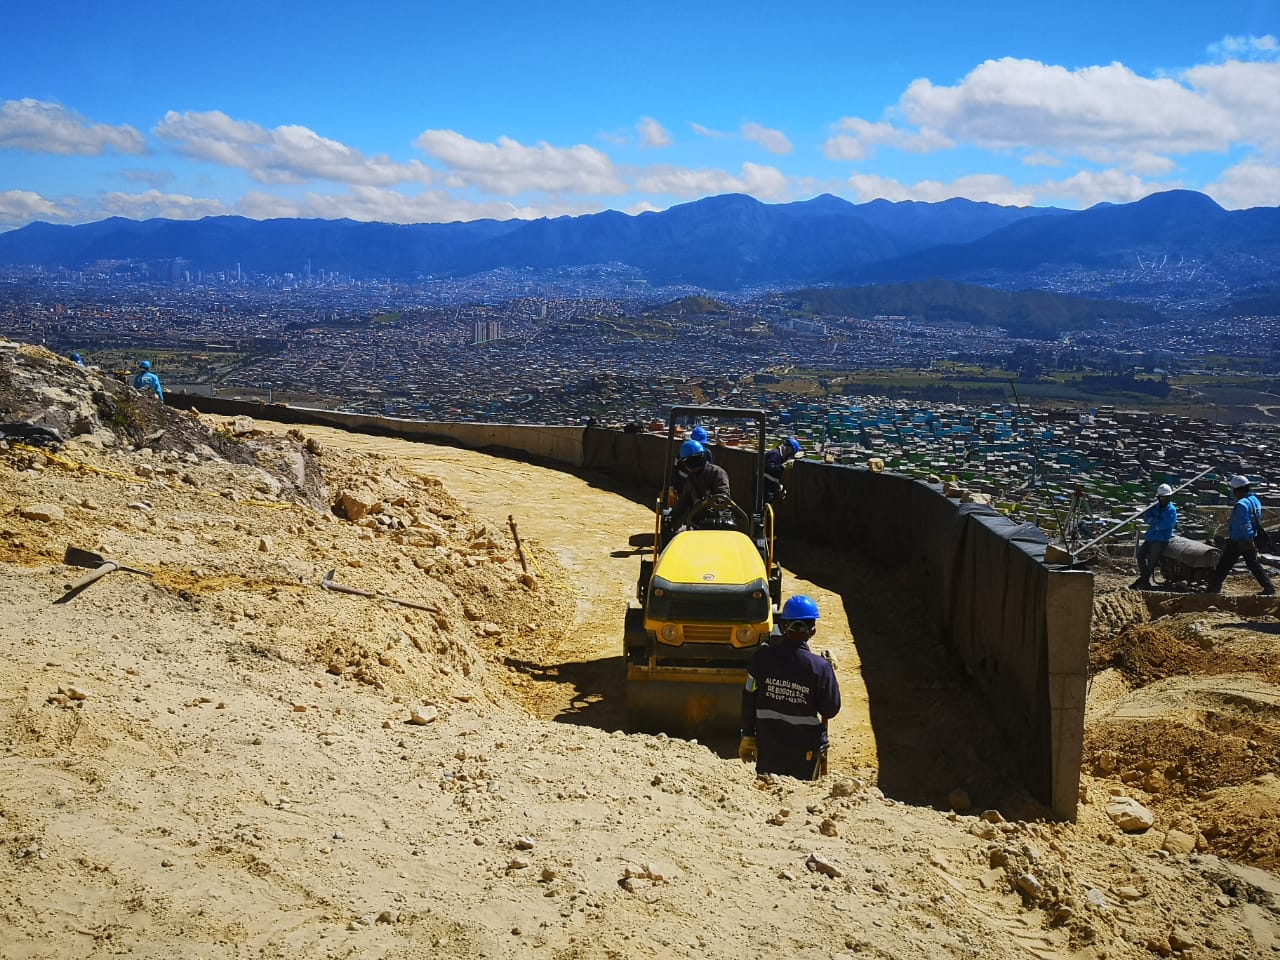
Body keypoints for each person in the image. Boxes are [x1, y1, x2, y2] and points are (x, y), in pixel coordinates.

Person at [739, 594, 841, 779]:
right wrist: (829, 674)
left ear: (783, 626)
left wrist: (747, 734)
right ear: (813, 631)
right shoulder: (819, 667)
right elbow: (830, 709)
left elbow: (749, 695)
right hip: (804, 755)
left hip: (769, 749)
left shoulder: (761, 659)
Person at [1206, 475, 1275, 596]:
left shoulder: (1241, 505)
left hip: (1240, 540)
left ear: (1237, 490)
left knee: (1224, 564)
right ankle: (1269, 587)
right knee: (1253, 564)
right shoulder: (1255, 501)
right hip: (1249, 538)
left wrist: (1247, 538)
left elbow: (1244, 524)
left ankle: (1212, 589)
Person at [669, 439, 731, 528]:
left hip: (720, 520)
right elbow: (683, 502)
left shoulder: (717, 473)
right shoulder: (690, 478)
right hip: (698, 521)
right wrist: (673, 516)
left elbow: (723, 496)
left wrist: (707, 503)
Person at [1131, 483, 1177, 590]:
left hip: (1161, 539)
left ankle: (1144, 581)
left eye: (1165, 497)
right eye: (1161, 497)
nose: (1163, 500)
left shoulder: (1171, 510)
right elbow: (1146, 517)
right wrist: (1154, 522)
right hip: (1151, 536)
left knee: (1152, 561)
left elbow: (1165, 524)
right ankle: (1144, 579)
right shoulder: (1154, 507)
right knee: (1140, 556)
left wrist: (1154, 521)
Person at [763, 437, 802, 505]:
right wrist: (783, 466)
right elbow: (769, 469)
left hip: (767, 489)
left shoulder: (779, 456)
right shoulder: (774, 454)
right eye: (791, 453)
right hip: (762, 489)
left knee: (766, 512)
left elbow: (772, 476)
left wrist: (778, 486)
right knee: (760, 512)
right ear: (788, 449)